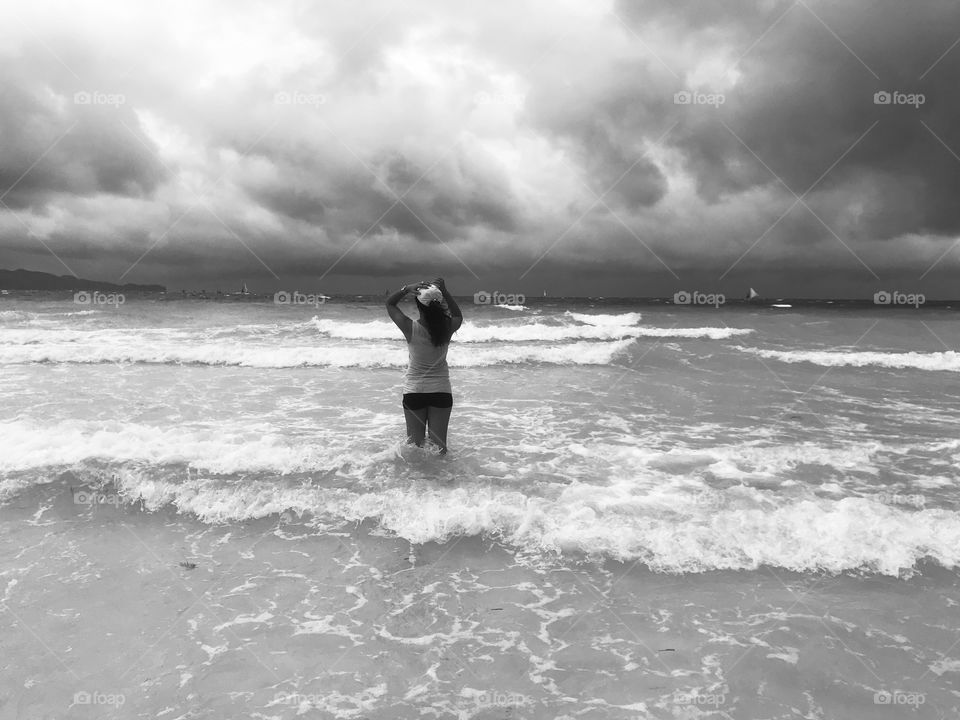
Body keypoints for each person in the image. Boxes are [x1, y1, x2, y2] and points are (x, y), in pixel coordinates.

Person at [385, 277, 462, 454]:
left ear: (418, 306)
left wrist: (406, 288)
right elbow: (458, 315)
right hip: (441, 391)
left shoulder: (409, 327)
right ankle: (443, 479)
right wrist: (445, 291)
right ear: (440, 304)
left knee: (414, 447)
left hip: (414, 391)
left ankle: (416, 480)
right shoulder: (447, 328)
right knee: (440, 447)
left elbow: (390, 304)